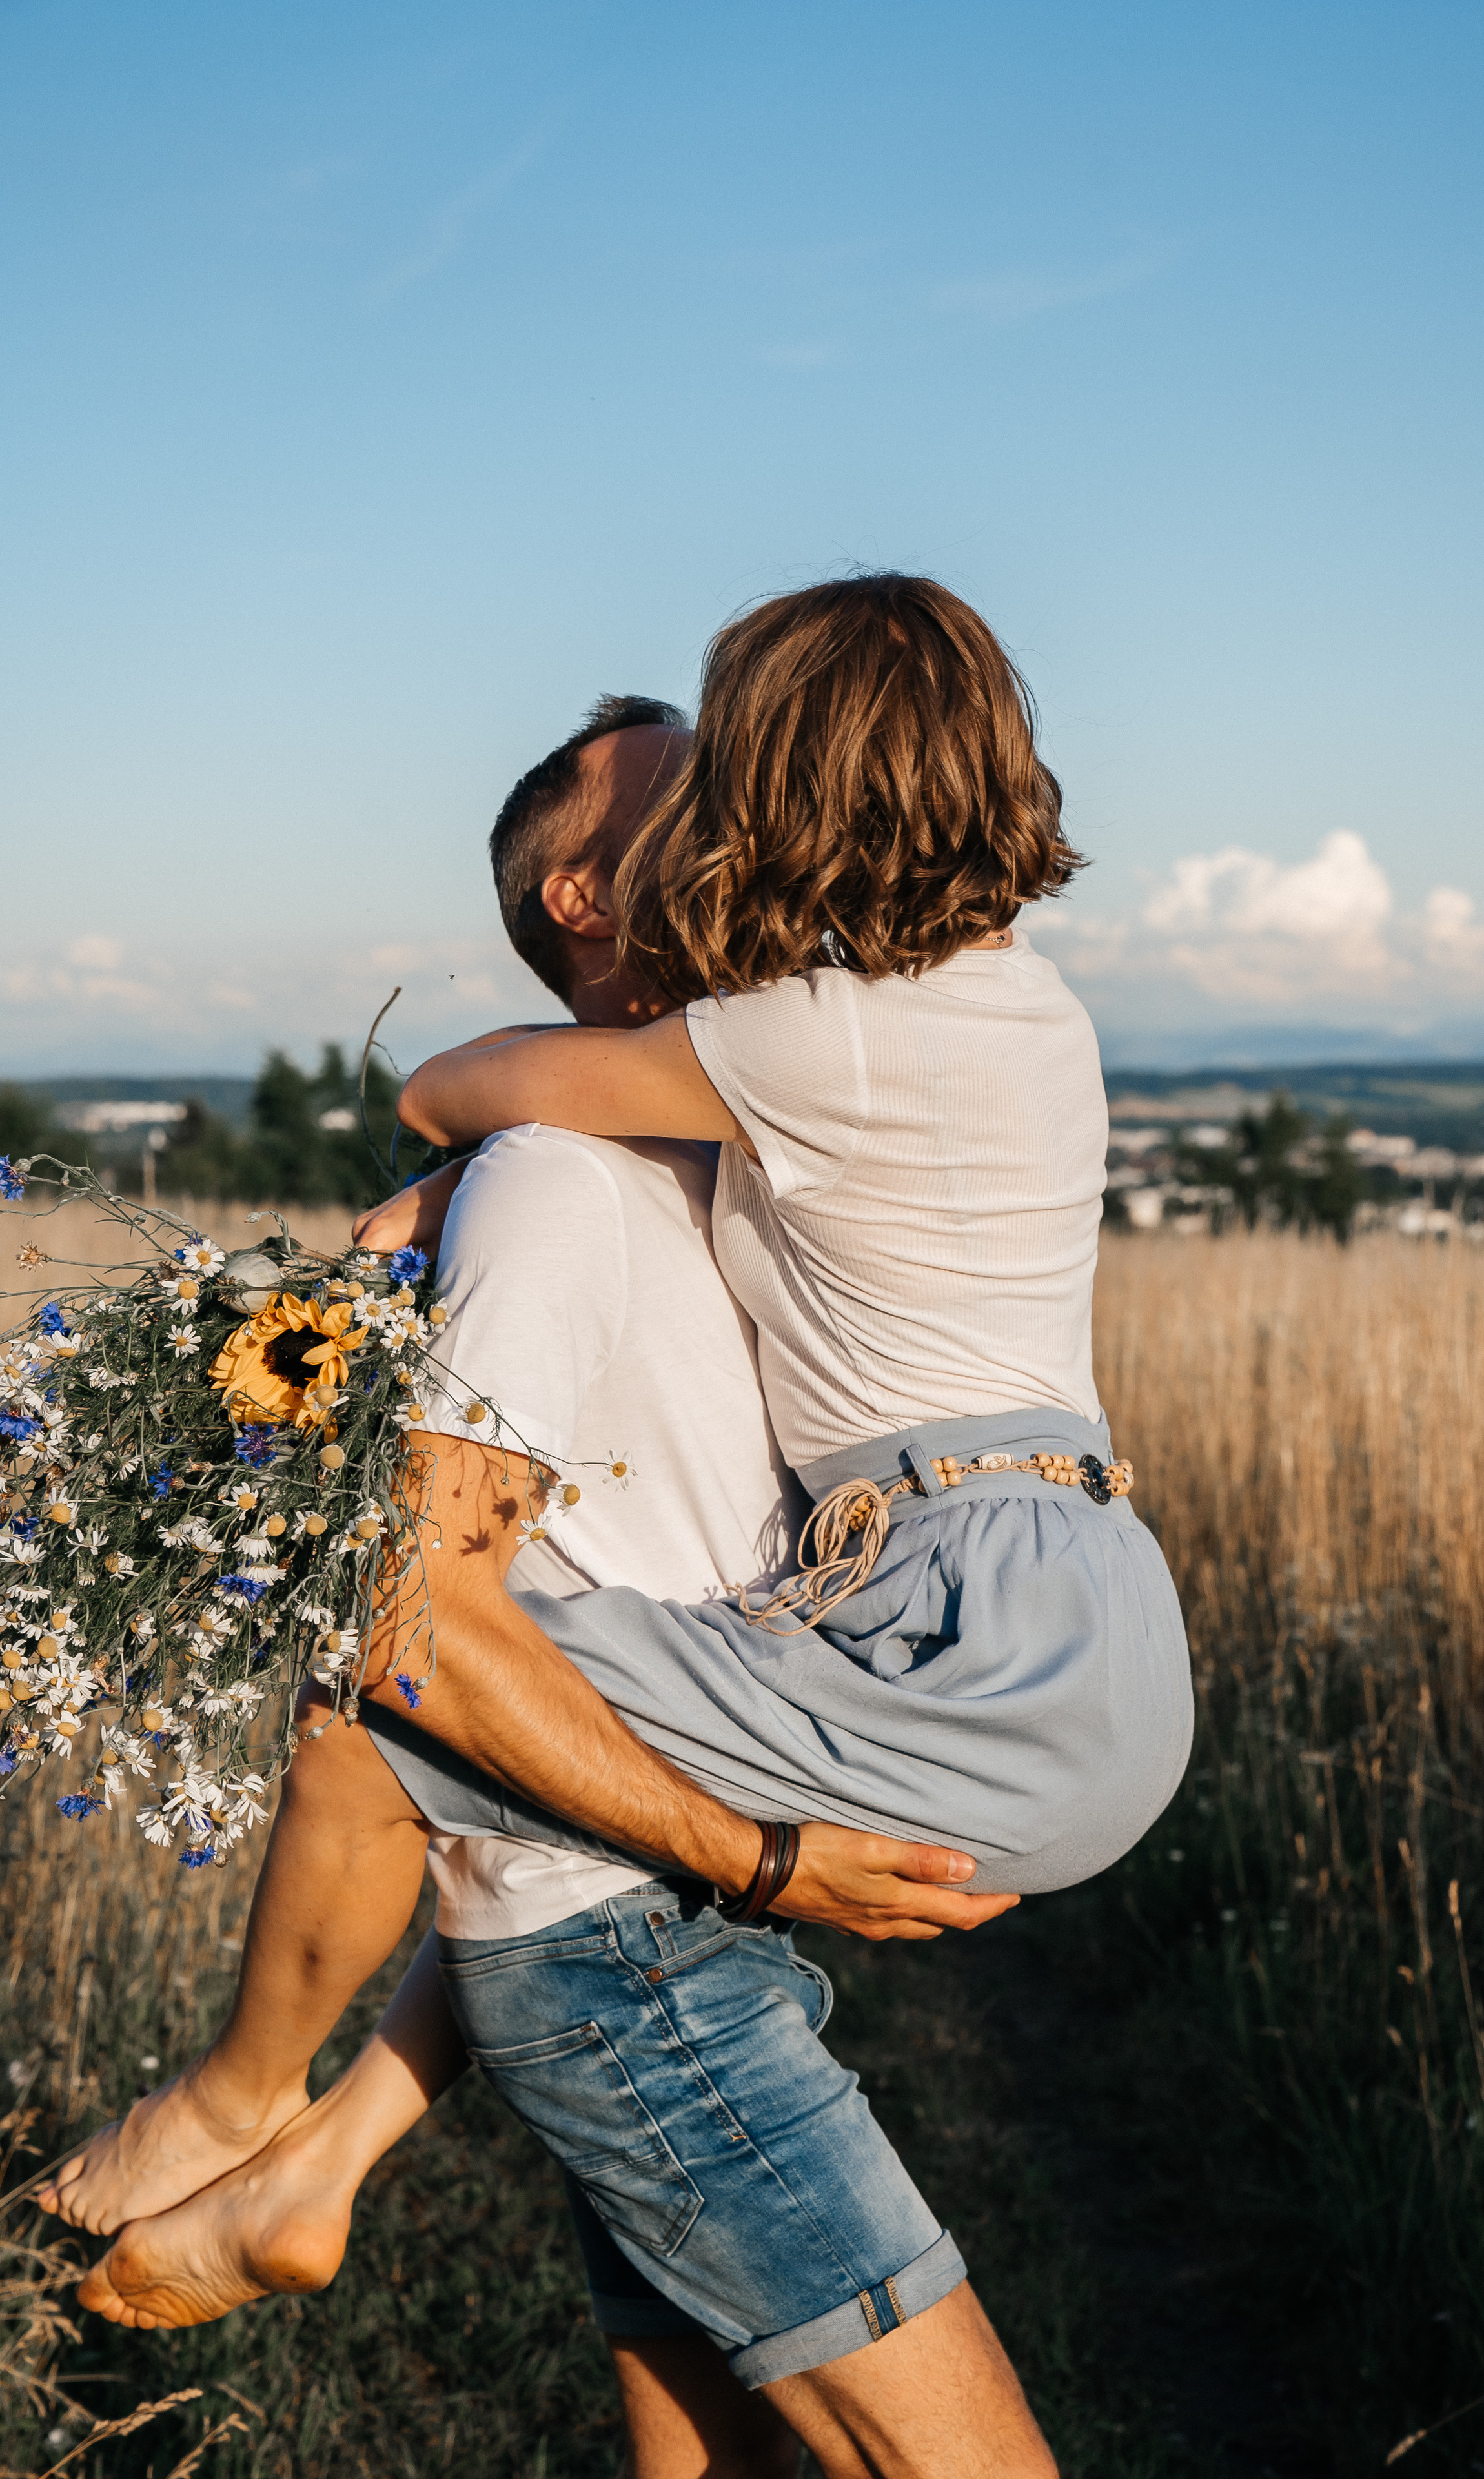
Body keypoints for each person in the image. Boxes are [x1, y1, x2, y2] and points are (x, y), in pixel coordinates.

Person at [46, 693, 1053, 2479]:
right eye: (690, 789)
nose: (748, 799)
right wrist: (755, 1856)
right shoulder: (554, 1188)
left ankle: (301, 2161)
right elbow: (421, 1626)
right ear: (584, 895)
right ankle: (247, 2135)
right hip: (625, 1950)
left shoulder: (730, 1168)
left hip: (650, 1920)